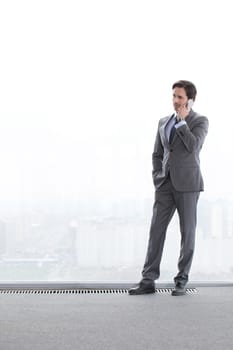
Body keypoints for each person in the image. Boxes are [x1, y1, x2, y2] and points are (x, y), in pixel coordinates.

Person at [129, 80, 209, 296]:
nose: (175, 100)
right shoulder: (163, 122)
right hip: (165, 184)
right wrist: (157, 176)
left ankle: (181, 281)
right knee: (156, 231)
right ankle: (148, 280)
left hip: (187, 185)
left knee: (187, 233)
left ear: (190, 100)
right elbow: (157, 153)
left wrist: (183, 123)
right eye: (174, 96)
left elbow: (193, 147)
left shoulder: (200, 121)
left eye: (180, 97)